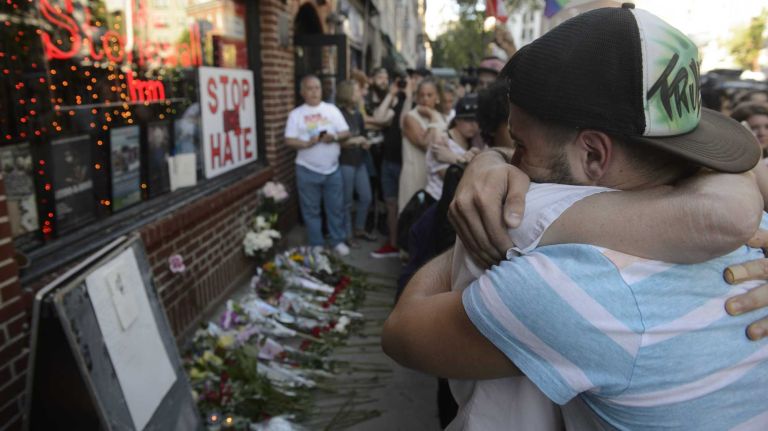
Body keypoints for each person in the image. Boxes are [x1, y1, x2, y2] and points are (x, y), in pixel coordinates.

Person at [383, 5, 768, 430]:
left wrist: (477, 227)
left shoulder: (573, 282)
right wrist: (490, 158)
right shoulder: (758, 234)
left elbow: (402, 333)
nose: (517, 162)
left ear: (592, 155)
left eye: (522, 144)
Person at [285, 75, 350, 255]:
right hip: (307, 169)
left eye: (317, 88)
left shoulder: (331, 110)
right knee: (311, 210)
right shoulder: (296, 114)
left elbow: (346, 132)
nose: (314, 91)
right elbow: (289, 140)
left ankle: (337, 241)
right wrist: (306, 144)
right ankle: (316, 243)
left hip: (332, 169)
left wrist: (334, 137)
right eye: (310, 88)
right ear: (302, 92)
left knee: (335, 207)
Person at [335, 80, 375, 247]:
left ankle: (359, 228)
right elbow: (336, 142)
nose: (360, 94)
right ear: (348, 94)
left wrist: (365, 142)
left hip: (360, 161)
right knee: (346, 201)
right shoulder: (339, 114)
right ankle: (347, 235)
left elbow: (363, 135)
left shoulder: (358, 115)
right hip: (345, 162)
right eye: (357, 91)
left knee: (366, 197)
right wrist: (356, 140)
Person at [398, 78, 445, 213]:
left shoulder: (440, 116)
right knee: (411, 215)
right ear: (417, 97)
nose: (425, 99)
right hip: (415, 172)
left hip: (434, 178)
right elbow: (424, 144)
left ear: (436, 97)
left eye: (429, 95)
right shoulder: (410, 117)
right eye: (422, 95)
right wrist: (431, 117)